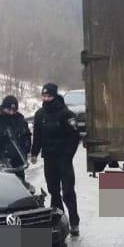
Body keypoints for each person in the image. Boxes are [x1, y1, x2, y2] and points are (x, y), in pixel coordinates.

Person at [31, 81, 81, 235]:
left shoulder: (66, 114)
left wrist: (67, 156)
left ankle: (74, 222)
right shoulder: (40, 115)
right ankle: (59, 221)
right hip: (49, 159)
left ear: (55, 96)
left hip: (63, 160)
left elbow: (74, 138)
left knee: (68, 192)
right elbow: (37, 136)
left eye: (49, 96)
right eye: (44, 96)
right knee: (53, 191)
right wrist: (34, 153)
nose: (46, 99)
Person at [0, 94, 32, 168]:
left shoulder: (20, 119)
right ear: (3, 107)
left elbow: (26, 135)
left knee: (19, 179)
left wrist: (26, 148)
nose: (11, 112)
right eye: (8, 110)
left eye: (14, 110)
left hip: (18, 162)